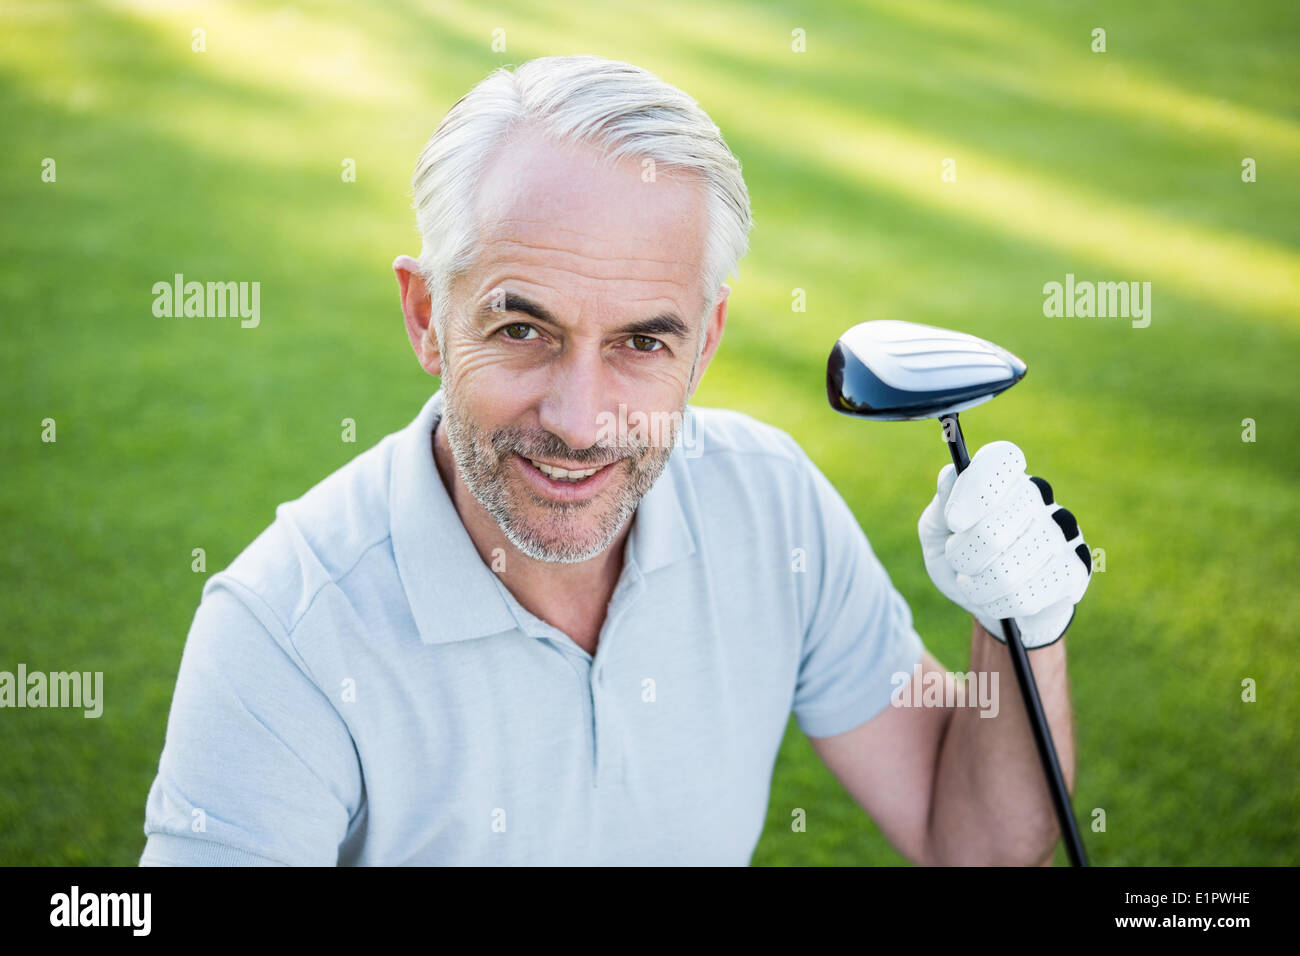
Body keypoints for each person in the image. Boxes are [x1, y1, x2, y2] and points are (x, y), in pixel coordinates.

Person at [139, 55, 1091, 866]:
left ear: (706, 343)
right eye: (522, 327)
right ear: (428, 317)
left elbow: (972, 839)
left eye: (642, 344)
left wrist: (1022, 629)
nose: (582, 421)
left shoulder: (772, 505)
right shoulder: (281, 636)